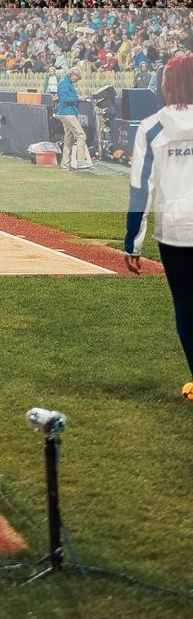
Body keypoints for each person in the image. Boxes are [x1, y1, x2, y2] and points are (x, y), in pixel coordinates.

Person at [124, 52, 193, 399]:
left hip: (175, 231)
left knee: (185, 305)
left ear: (167, 84)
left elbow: (140, 189)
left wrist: (132, 244)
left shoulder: (151, 127)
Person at [55, 62, 89, 169]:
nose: (77, 80)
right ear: (73, 74)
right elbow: (64, 99)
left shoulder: (67, 83)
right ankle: (81, 161)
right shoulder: (64, 83)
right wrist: (78, 98)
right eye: (77, 78)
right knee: (81, 135)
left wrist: (80, 98)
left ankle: (65, 164)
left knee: (69, 138)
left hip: (68, 112)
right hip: (67, 113)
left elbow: (69, 97)